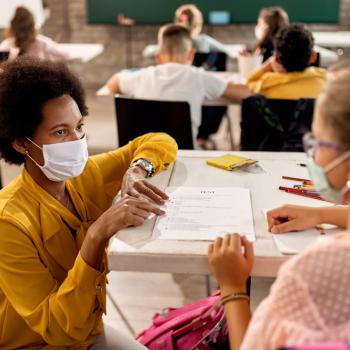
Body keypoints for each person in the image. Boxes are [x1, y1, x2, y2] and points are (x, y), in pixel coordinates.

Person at [0, 58, 177, 349]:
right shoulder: (9, 222)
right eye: (60, 132)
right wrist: (96, 235)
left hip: (85, 330)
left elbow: (160, 140)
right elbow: (56, 329)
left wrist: (137, 169)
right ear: (21, 143)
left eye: (79, 126)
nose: (77, 140)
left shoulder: (84, 176)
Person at [208, 71, 350, 349]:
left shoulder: (317, 267)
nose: (312, 154)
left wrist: (233, 287)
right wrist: (322, 213)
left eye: (317, 143)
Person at [106, 24, 250, 147]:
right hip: (184, 156)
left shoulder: (141, 77)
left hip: (141, 157)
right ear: (191, 54)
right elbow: (245, 93)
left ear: (158, 57)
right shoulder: (199, 77)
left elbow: (112, 84)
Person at [246, 23, 327, 99]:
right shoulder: (325, 81)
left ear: (277, 58)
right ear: (313, 57)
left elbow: (247, 85)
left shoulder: (265, 85)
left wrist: (269, 64)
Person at [142, 4, 231, 58]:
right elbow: (227, 52)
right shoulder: (203, 41)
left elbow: (147, 52)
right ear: (197, 24)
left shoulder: (171, 41)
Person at [0, 6, 68, 61]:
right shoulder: (42, 43)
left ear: (12, 26)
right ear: (32, 25)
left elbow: (64, 55)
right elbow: (65, 55)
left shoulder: (6, 45)